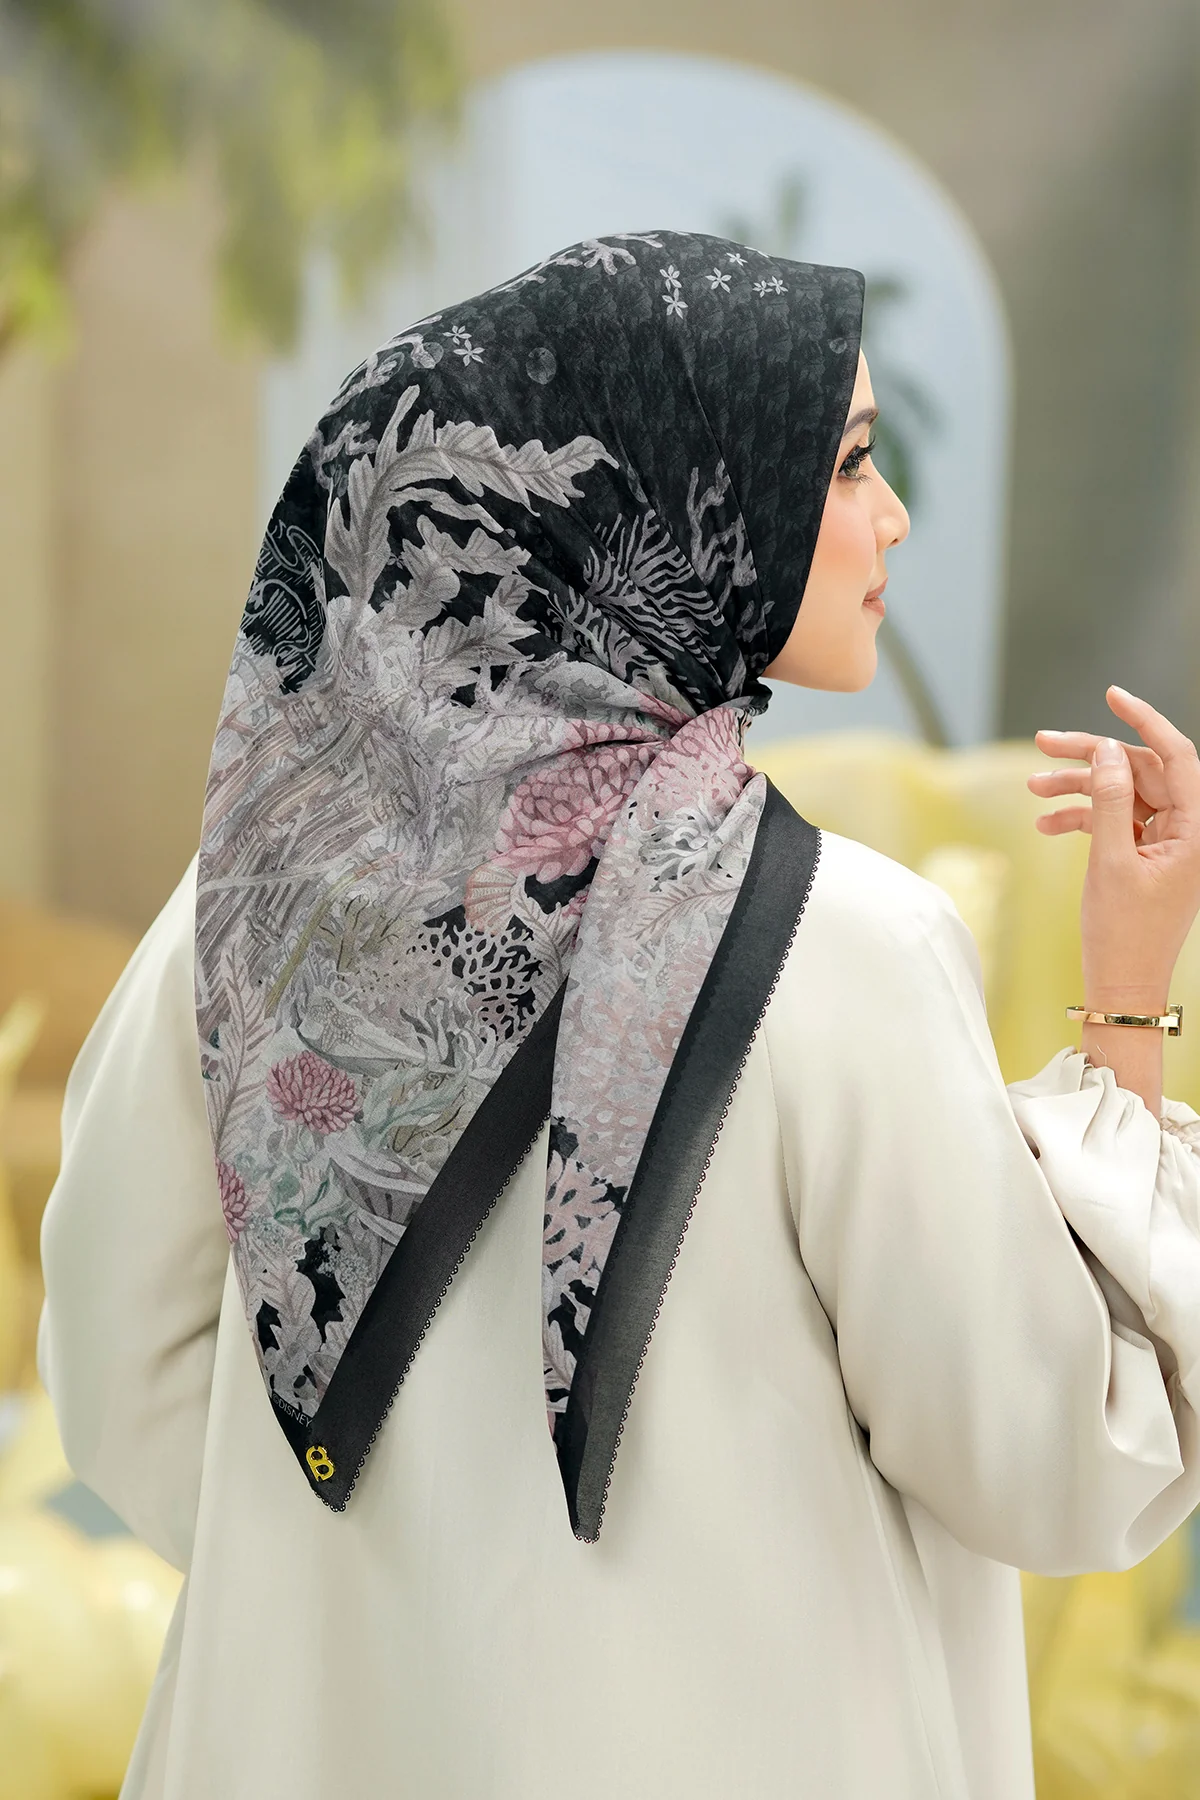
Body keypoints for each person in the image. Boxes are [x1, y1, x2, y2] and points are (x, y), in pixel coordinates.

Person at [37, 231, 1200, 1800]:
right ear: (679, 507)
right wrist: (1129, 998)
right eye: (849, 463)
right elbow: (1059, 1463)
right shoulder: (845, 949)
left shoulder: (240, 912)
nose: (894, 516)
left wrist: (403, 1610)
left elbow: (122, 1374)